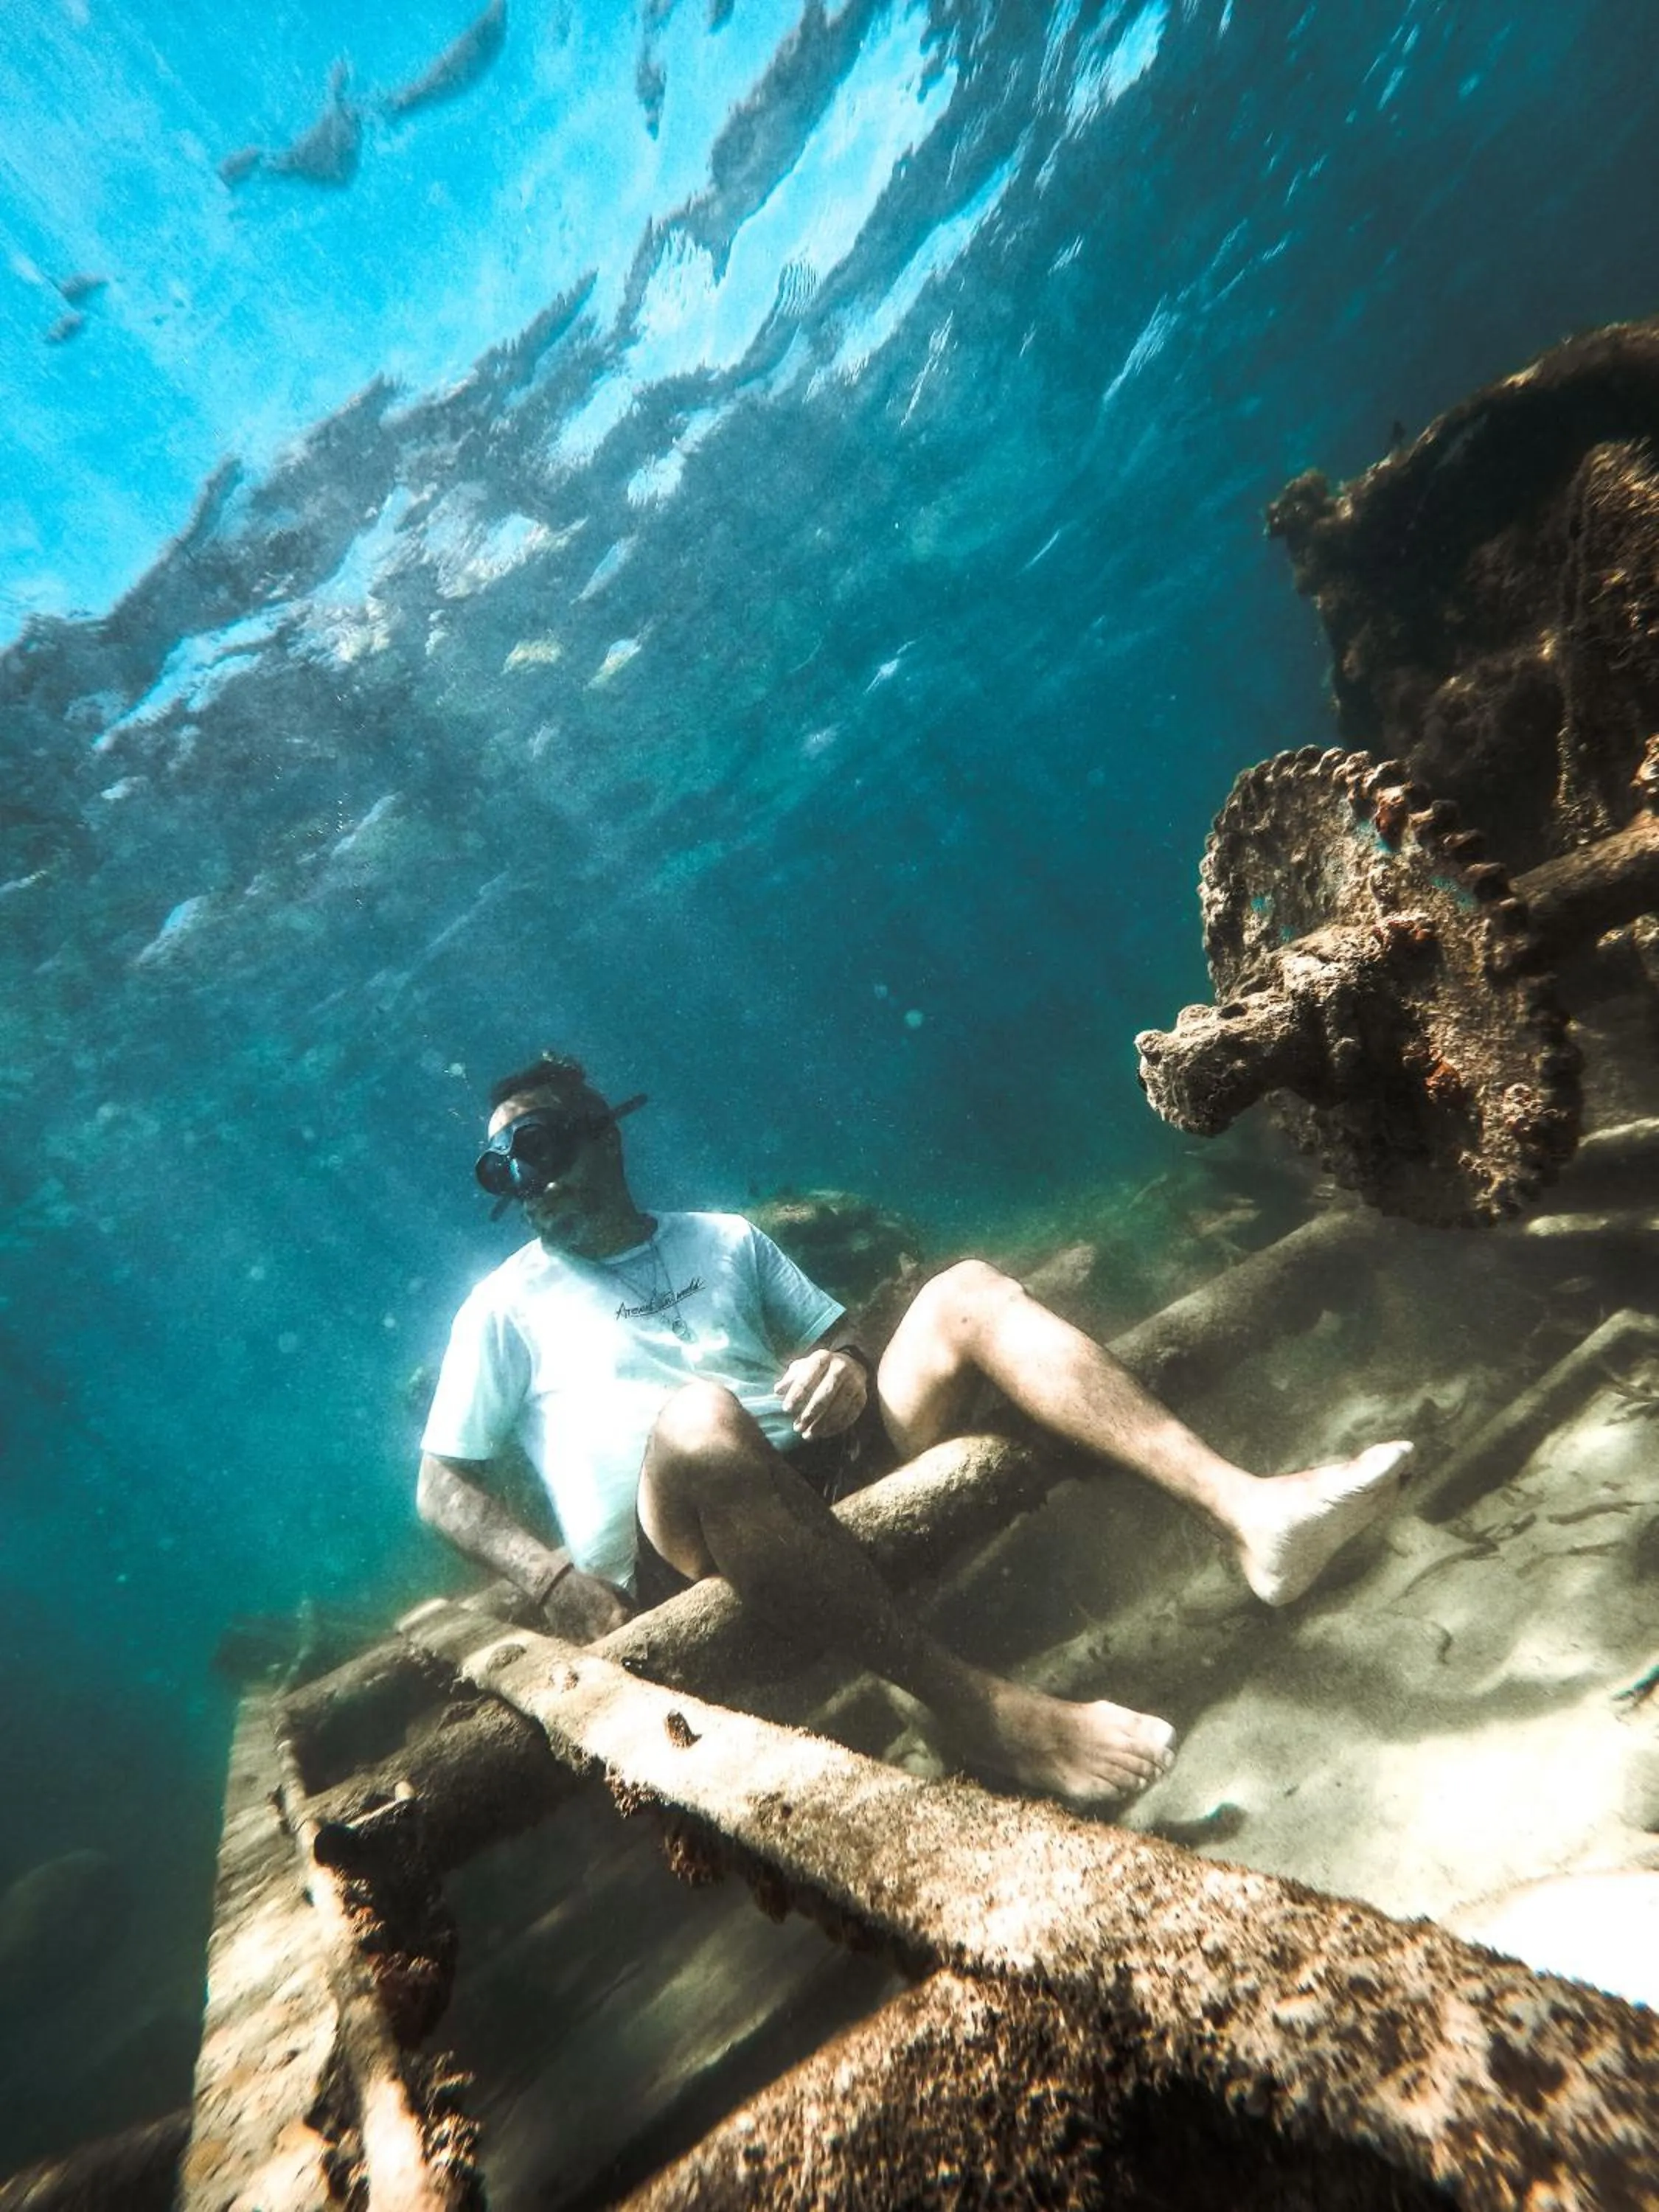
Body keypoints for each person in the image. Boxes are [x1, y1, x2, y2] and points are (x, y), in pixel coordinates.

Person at [418, 1052, 1411, 1812]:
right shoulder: (501, 1309)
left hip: (818, 1477)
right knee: (701, 1417)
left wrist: (846, 1366)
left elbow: (840, 1330)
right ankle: (980, 1713)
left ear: (603, 1136)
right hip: (681, 1549)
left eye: (542, 1150)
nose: (529, 1184)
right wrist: (551, 1581)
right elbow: (442, 1486)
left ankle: (1251, 1512)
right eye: (501, 1171)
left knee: (967, 1292)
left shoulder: (722, 1238)